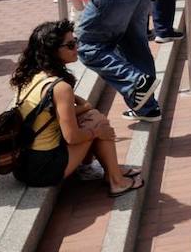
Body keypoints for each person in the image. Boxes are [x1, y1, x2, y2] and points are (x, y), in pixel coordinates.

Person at [8, 20, 142, 195]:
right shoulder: (59, 87)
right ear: (53, 51)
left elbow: (50, 116)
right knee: (97, 123)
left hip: (23, 164)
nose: (76, 48)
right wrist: (97, 132)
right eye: (70, 45)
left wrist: (85, 108)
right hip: (44, 169)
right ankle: (116, 180)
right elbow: (71, 137)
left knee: (91, 117)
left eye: (76, 42)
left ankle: (109, 171)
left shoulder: (30, 76)